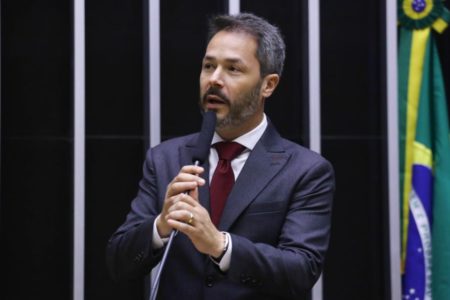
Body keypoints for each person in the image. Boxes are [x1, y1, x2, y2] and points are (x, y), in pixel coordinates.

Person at [106, 13, 335, 300]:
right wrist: (160, 225)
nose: (214, 79)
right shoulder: (165, 159)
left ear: (269, 84)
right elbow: (119, 263)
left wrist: (220, 245)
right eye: (208, 66)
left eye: (233, 69)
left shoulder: (306, 170)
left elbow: (301, 270)